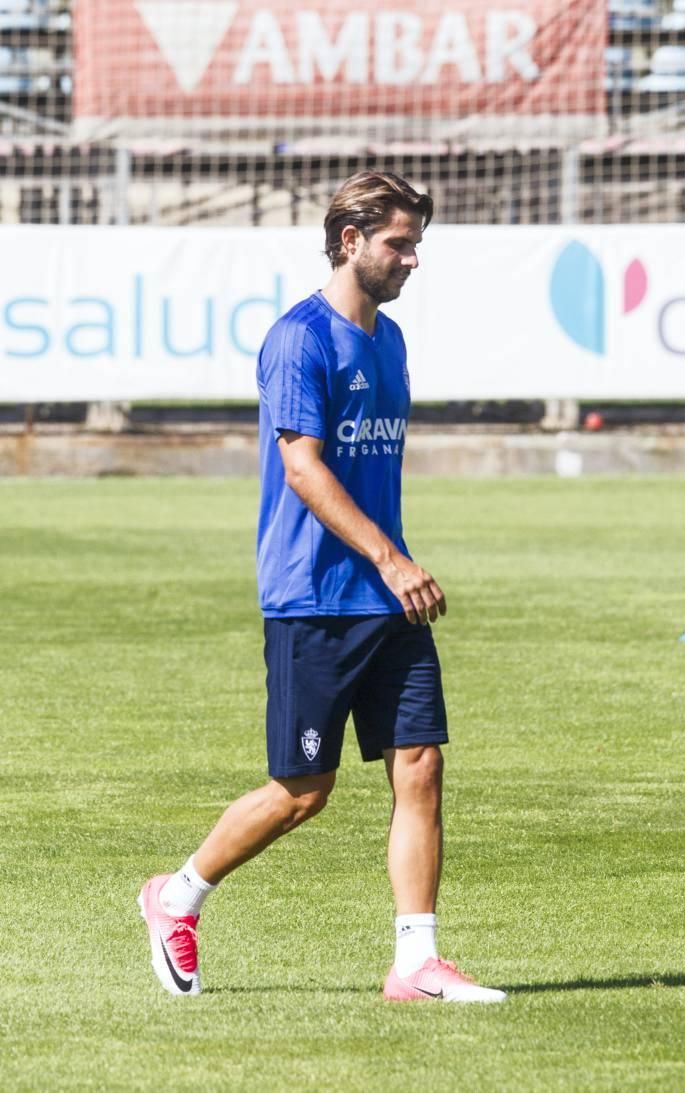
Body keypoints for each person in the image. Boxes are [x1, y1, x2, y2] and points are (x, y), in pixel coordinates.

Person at [138, 170, 506, 1004]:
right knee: (304, 790)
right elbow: (301, 468)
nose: (413, 259)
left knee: (419, 764)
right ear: (351, 241)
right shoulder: (299, 339)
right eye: (399, 243)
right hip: (315, 596)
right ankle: (177, 895)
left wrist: (392, 565)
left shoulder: (392, 340)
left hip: (388, 596)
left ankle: (415, 962)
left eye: (417, 244)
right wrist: (390, 557)